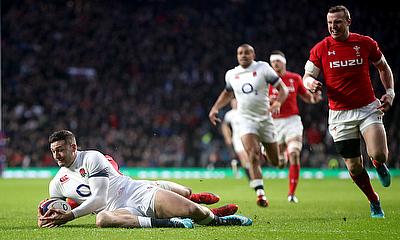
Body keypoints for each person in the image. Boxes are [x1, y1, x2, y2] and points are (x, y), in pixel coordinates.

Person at [38, 130, 252, 228]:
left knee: (193, 211)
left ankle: (219, 220)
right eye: (53, 151)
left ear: (73, 147)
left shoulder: (91, 157)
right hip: (118, 211)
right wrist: (48, 216)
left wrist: (71, 215)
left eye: (61, 150)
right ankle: (168, 224)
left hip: (136, 193)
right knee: (102, 219)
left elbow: (100, 199)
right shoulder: (57, 182)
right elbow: (57, 207)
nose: (57, 155)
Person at [302, 5, 394, 218]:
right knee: (353, 167)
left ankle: (378, 163)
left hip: (367, 108)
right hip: (340, 115)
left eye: (338, 22)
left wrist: (389, 92)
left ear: (348, 22)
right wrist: (310, 83)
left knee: (379, 153)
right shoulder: (321, 48)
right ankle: (374, 200)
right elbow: (306, 76)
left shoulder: (364, 43)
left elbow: (384, 67)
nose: (333, 27)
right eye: (330, 23)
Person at [209, 44, 289, 207]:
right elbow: (227, 93)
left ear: (253, 54)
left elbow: (283, 89)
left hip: (265, 120)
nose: (243, 55)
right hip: (246, 120)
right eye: (240, 53)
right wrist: (215, 108)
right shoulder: (231, 74)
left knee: (275, 163)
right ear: (237, 55)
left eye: (247, 52)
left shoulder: (263, 68)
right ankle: (260, 193)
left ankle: (272, 154)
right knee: (252, 154)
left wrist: (277, 103)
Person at [268, 50, 322, 203]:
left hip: (292, 121)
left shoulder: (294, 78)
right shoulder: (267, 81)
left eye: (278, 61)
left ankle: (291, 194)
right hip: (274, 124)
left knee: (294, 153)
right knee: (278, 164)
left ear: (283, 62)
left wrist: (315, 98)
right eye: (273, 62)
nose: (275, 64)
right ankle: (281, 156)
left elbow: (307, 97)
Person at [221, 98, 251, 180]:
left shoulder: (244, 112)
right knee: (242, 155)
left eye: (236, 102)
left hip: (246, 136)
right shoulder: (229, 114)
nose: (235, 104)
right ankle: (249, 175)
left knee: (247, 156)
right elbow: (224, 126)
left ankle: (249, 172)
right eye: (233, 103)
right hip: (237, 138)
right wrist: (228, 137)